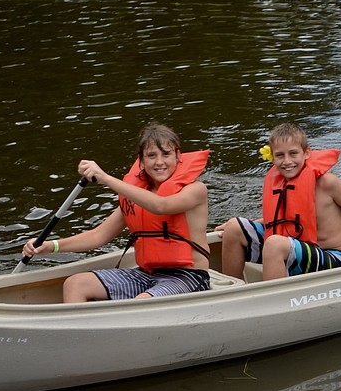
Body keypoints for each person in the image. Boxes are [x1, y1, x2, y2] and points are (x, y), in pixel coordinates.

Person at [22, 122, 211, 303]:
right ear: (141, 162)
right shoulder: (137, 198)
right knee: (75, 284)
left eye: (166, 154)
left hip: (188, 277)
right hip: (147, 274)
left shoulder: (195, 190)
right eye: (151, 155)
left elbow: (161, 206)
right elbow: (98, 235)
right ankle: (83, 334)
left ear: (178, 156)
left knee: (141, 303)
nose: (159, 162)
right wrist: (51, 246)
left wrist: (105, 178)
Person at [215, 122, 341, 281]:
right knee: (234, 227)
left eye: (293, 153)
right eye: (280, 155)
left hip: (331, 258)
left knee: (274, 244)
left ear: (306, 153)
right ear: (272, 157)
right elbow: (286, 219)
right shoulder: (281, 184)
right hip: (292, 248)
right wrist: (243, 225)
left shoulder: (328, 183)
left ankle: (275, 301)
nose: (287, 161)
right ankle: (233, 290)